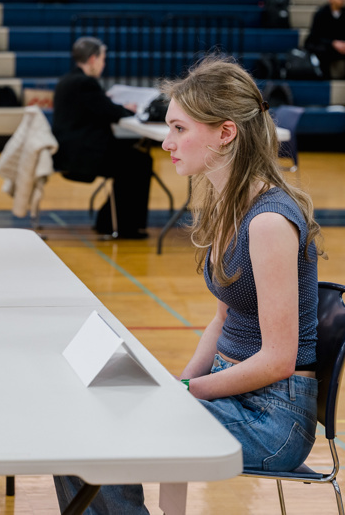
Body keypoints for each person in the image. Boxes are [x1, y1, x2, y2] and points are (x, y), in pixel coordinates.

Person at [54, 57, 324, 514]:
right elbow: (221, 320)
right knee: (82, 423)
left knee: (96, 435)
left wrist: (188, 394)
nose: (166, 142)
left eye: (179, 128)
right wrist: (180, 382)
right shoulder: (226, 203)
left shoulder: (269, 222)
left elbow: (279, 361)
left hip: (272, 418)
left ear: (225, 132)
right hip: (231, 388)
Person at [51, 36, 153, 239]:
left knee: (134, 159)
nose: (103, 64)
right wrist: (129, 110)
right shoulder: (85, 82)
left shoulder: (68, 80)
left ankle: (108, 221)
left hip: (73, 150)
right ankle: (124, 227)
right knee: (139, 162)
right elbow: (111, 113)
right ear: (92, 59)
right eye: (102, 59)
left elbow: (97, 107)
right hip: (82, 155)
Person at [304, 0, 345, 79]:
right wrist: (333, 43)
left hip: (342, 48)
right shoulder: (321, 13)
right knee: (321, 51)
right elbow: (314, 37)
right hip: (326, 47)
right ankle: (324, 79)